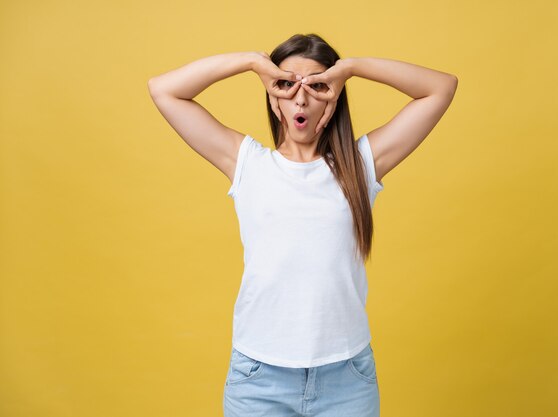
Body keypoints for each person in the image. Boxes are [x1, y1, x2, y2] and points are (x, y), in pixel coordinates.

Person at [148, 33, 457, 417]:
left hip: (346, 378)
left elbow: (440, 89)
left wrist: (351, 68)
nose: (300, 98)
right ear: (272, 95)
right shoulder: (247, 163)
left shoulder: (360, 165)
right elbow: (164, 91)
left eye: (316, 86)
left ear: (333, 94)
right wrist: (251, 62)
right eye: (286, 85)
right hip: (259, 378)